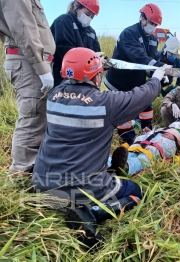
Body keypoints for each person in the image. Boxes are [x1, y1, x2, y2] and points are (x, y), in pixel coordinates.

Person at [32, 47, 168, 246]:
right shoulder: (106, 103)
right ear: (96, 76)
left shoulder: (54, 95)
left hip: (42, 186)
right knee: (135, 193)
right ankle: (90, 214)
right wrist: (157, 78)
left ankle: (109, 172)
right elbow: (141, 95)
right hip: (79, 188)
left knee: (96, 157)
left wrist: (92, 61)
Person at [0, 0, 55, 172]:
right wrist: (41, 66)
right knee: (32, 119)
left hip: (30, 61)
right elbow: (23, 28)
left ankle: (34, 168)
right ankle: (21, 174)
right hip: (28, 62)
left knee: (38, 118)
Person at [104, 3, 168, 145]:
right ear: (143, 18)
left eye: (155, 25)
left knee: (146, 105)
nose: (153, 27)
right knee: (124, 110)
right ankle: (127, 141)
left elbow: (152, 61)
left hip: (136, 80)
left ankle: (147, 133)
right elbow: (139, 58)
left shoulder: (152, 40)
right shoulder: (129, 34)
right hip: (119, 80)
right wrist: (160, 66)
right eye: (151, 23)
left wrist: (161, 76)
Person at [109, 125, 180, 177]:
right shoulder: (165, 127)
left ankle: (127, 168)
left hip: (167, 141)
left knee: (147, 156)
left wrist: (176, 139)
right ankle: (107, 164)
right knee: (132, 151)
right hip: (148, 139)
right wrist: (149, 132)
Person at [50, 0, 101, 87]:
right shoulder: (63, 21)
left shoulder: (91, 32)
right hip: (64, 78)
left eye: (92, 17)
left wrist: (101, 61)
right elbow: (65, 50)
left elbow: (97, 53)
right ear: (76, 7)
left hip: (85, 81)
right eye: (87, 14)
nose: (89, 19)